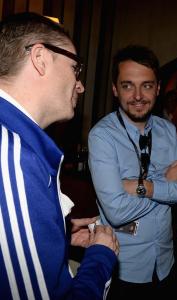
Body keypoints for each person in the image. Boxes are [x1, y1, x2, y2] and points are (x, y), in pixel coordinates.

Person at [0, 12, 119, 300]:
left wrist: (57, 233)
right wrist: (101, 256)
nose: (81, 85)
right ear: (40, 58)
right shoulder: (14, 156)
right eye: (76, 69)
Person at [88, 45, 177, 299]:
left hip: (165, 262)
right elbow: (116, 212)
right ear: (115, 89)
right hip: (123, 267)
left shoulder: (168, 130)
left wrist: (140, 187)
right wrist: (166, 183)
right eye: (127, 85)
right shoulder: (101, 136)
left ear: (158, 88)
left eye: (147, 85)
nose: (138, 95)